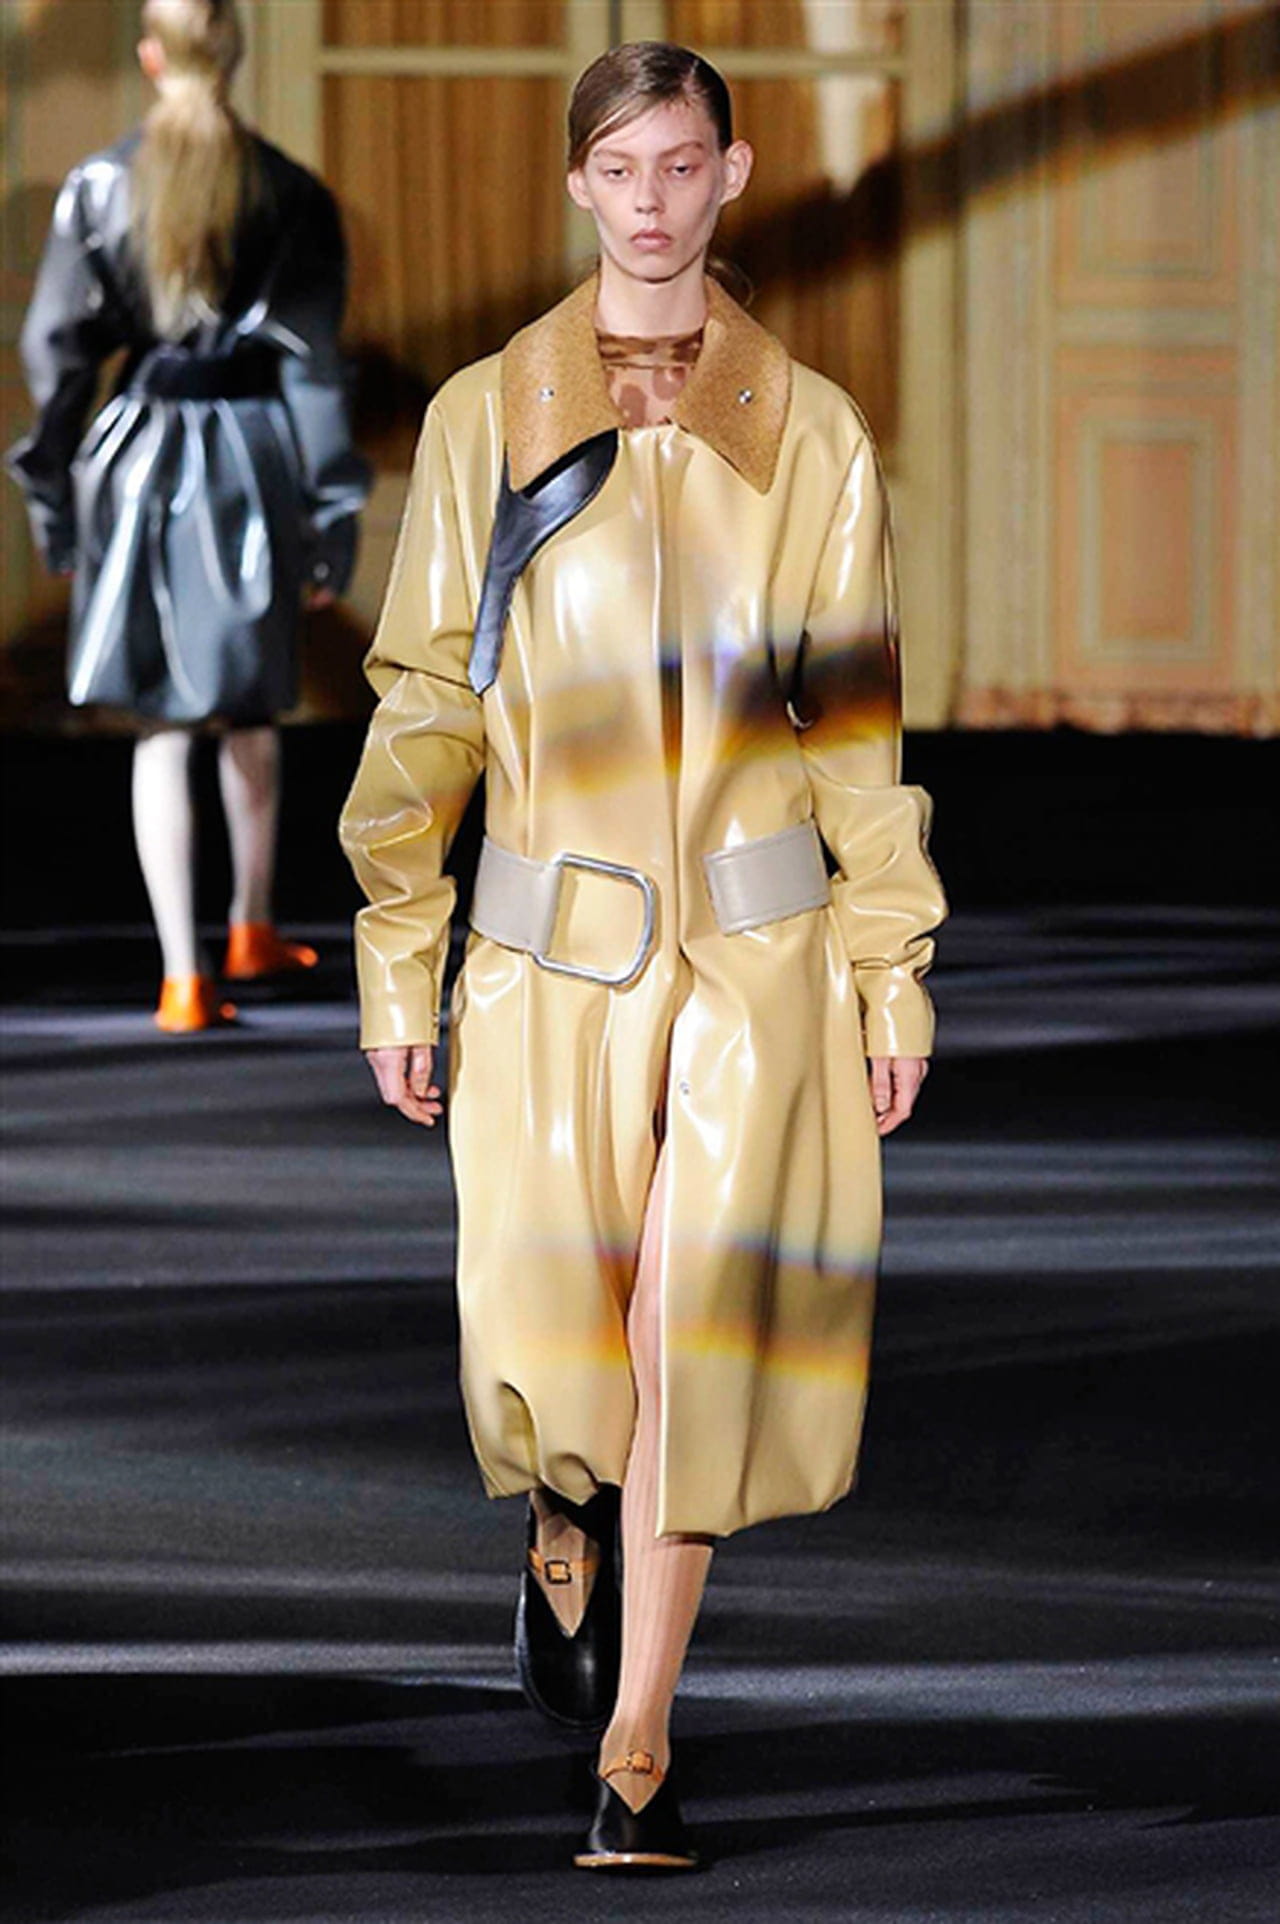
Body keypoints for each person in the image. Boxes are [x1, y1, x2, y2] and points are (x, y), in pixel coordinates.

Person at [340, 41, 945, 1872]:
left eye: (684, 162)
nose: (655, 200)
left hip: (757, 960)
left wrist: (892, 965)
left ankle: (640, 1739)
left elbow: (854, 730)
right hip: (549, 952)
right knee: (559, 1359)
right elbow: (427, 706)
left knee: (700, 1338)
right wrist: (397, 958)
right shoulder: (488, 417)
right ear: (580, 187)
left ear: (733, 172)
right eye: (622, 168)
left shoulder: (812, 434)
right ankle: (563, 1513)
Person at [8, 0, 369, 1031]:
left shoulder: (99, 186)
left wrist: (53, 498)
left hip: (138, 456)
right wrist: (330, 509)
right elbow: (312, 367)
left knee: (163, 722)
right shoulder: (288, 190)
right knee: (250, 704)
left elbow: (57, 356)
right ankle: (250, 925)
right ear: (235, 54)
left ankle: (183, 973)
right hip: (251, 456)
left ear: (149, 56)